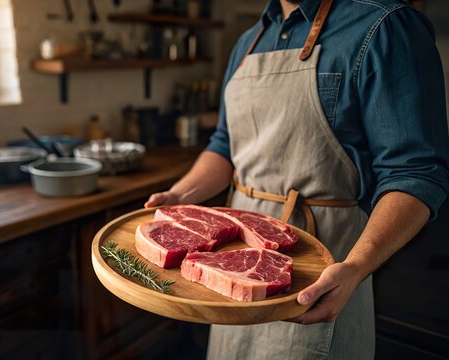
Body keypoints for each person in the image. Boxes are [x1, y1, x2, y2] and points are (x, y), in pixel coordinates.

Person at [144, 0, 449, 358]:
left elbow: (415, 173)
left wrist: (355, 268)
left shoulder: (385, 27)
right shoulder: (249, 41)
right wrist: (179, 196)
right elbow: (225, 147)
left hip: (321, 263)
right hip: (234, 256)